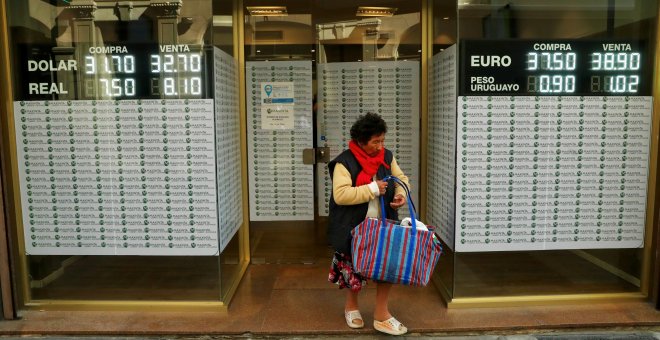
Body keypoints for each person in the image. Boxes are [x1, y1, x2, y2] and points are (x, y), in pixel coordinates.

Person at [327, 112, 410, 336]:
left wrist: (401, 193)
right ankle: (351, 306)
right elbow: (341, 195)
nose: (380, 145)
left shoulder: (387, 156)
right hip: (354, 227)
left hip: (383, 226)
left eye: (382, 140)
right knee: (354, 270)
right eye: (375, 141)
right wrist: (373, 189)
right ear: (362, 141)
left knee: (386, 269)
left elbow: (401, 178)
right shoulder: (344, 162)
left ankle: (382, 315)